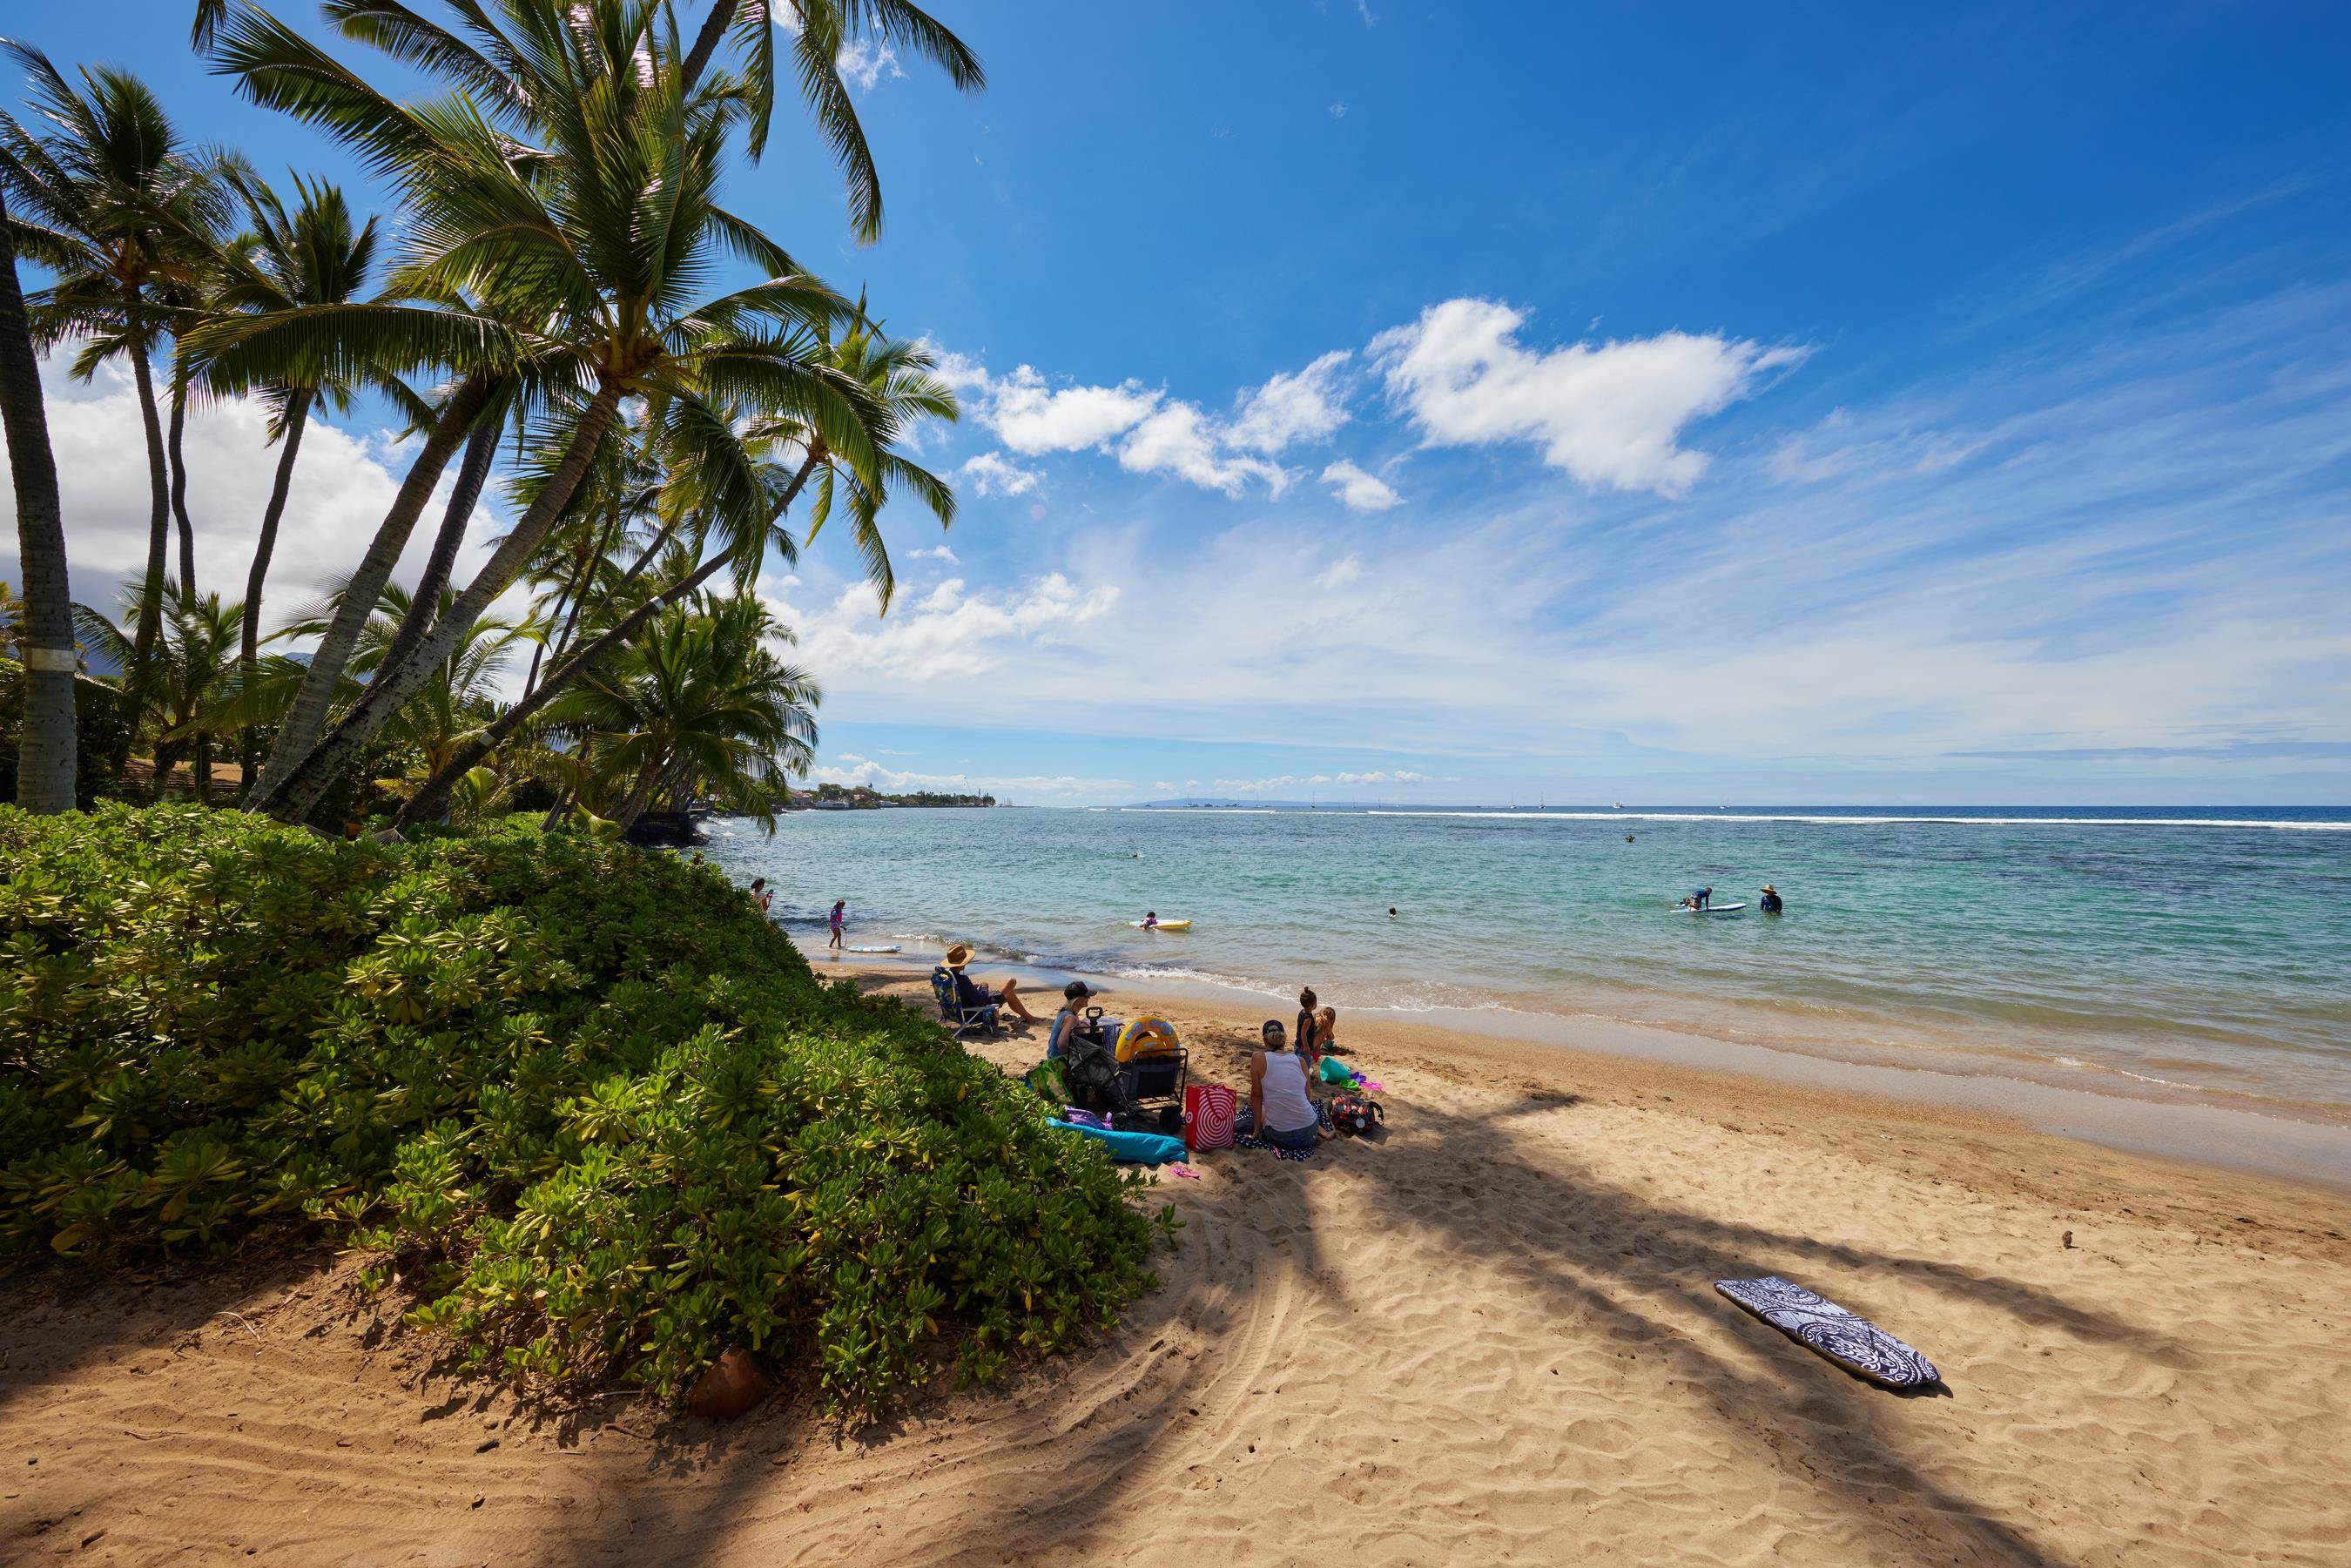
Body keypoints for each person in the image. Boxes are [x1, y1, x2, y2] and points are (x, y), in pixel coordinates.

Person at [1239, 1020, 1326, 1152]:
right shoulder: (1300, 1061)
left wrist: (1257, 1129)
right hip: (1309, 1133)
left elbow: (1256, 1096)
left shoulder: (1258, 1058)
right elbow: (1307, 1098)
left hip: (1279, 1137)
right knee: (1305, 1107)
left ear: (1265, 1040)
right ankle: (1322, 1131)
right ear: (1284, 1040)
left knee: (1264, 1108)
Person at [945, 943, 1039, 1022]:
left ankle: (1029, 1018)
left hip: (956, 1012)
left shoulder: (947, 977)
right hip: (973, 1013)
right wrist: (984, 987)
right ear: (963, 964)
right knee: (1011, 982)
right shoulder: (962, 980)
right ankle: (1030, 1018)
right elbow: (982, 1002)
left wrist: (975, 988)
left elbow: (963, 992)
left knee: (1009, 993)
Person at [1294, 987, 1320, 1057]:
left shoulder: (1302, 1011)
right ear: (1312, 1005)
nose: (1317, 1004)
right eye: (1316, 1003)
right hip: (1302, 1048)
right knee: (1304, 1064)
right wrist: (1306, 1046)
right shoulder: (1308, 1019)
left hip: (1298, 1044)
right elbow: (1303, 1033)